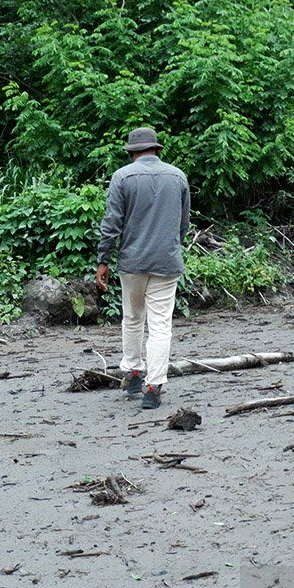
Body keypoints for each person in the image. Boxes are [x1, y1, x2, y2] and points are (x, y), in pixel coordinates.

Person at [95, 127, 191, 410]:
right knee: (161, 325)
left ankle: (134, 372)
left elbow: (111, 223)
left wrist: (103, 259)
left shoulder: (122, 177)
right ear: (156, 149)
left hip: (132, 261)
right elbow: (183, 223)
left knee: (133, 318)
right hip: (166, 261)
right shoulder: (178, 176)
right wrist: (172, 245)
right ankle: (154, 385)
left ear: (133, 152)